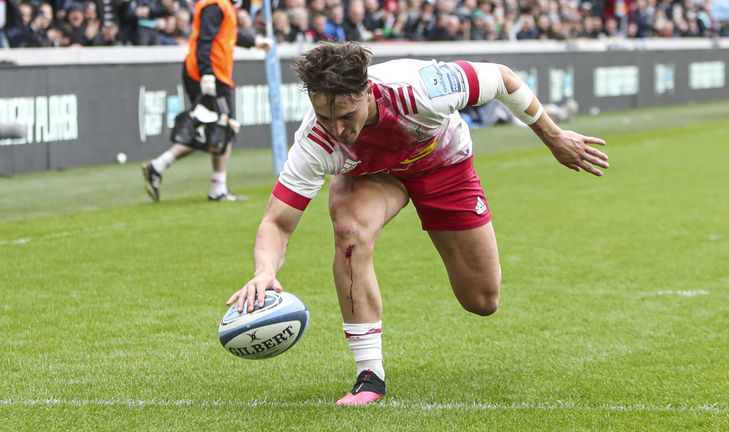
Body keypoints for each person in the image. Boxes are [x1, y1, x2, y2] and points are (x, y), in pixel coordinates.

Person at [226, 42, 609, 405]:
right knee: (349, 231)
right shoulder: (315, 142)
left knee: (482, 300)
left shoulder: (421, 87)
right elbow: (278, 223)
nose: (337, 130)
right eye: (325, 117)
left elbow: (502, 77)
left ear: (368, 92)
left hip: (444, 166)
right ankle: (369, 376)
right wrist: (263, 271)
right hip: (373, 177)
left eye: (346, 117)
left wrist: (554, 136)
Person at [142, 0, 272, 202]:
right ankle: (217, 188)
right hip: (210, 74)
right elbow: (205, 41)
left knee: (209, 129)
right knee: (223, 128)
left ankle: (158, 166)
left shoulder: (222, 6)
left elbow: (227, 35)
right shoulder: (215, 5)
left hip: (208, 73)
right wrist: (207, 74)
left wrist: (253, 42)